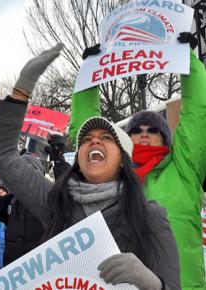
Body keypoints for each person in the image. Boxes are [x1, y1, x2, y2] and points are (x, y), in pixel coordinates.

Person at [0, 44, 181, 289]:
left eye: (106, 138)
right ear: (79, 160)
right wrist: (22, 87)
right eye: (86, 140)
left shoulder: (149, 215)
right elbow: (1, 153)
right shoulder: (56, 203)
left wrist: (151, 283)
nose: (94, 141)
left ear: (124, 160)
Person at [69, 33, 206, 290]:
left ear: (164, 138)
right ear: (124, 142)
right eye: (136, 130)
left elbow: (198, 114)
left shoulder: (183, 170)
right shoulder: (110, 178)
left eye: (152, 130)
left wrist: (188, 60)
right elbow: (86, 135)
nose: (143, 133)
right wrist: (89, 75)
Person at [0, 152, 46, 266]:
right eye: (20, 172)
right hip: (12, 278)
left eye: (29, 171)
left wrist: (59, 161)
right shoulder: (10, 202)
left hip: (41, 279)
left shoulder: (50, 203)